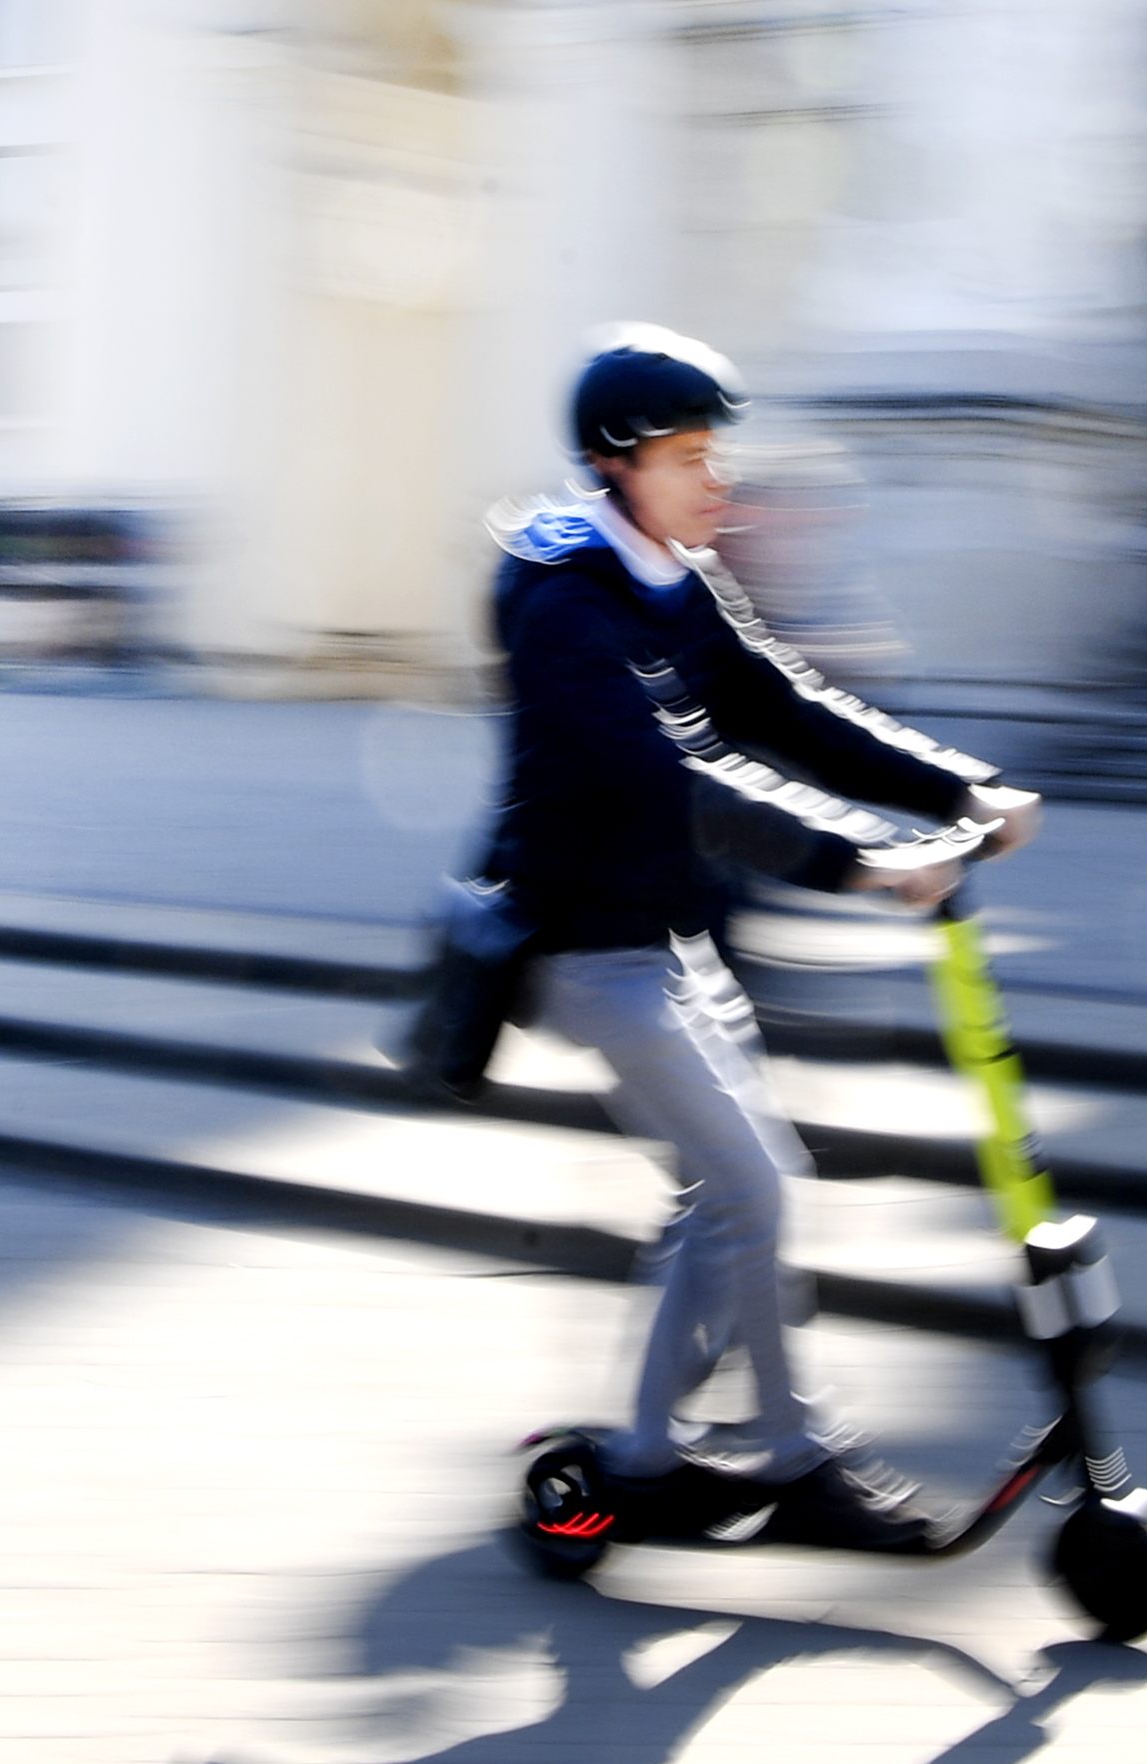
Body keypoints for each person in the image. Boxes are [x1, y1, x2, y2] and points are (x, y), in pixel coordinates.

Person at [483, 324, 1040, 1551]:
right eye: (690, 456)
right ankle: (794, 1461)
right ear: (616, 463)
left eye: (715, 453)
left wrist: (958, 788)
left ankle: (640, 1458)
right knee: (753, 1185)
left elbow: (788, 706)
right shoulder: (563, 605)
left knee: (721, 1194)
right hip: (587, 952)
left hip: (670, 942)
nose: (716, 480)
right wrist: (860, 858)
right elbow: (679, 777)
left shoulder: (677, 581)